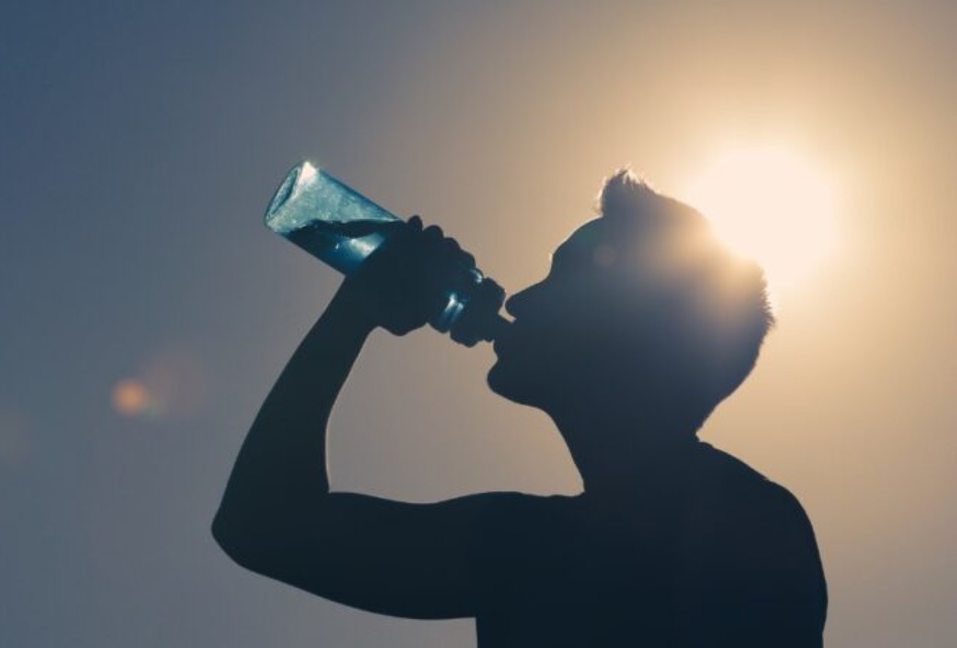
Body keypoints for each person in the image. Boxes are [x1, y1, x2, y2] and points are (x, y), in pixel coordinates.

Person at [213, 170, 827, 647]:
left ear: (632, 331)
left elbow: (263, 526)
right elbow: (260, 527)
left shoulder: (740, 526)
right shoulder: (530, 544)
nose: (520, 300)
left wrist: (352, 317)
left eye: (562, 278)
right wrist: (354, 311)